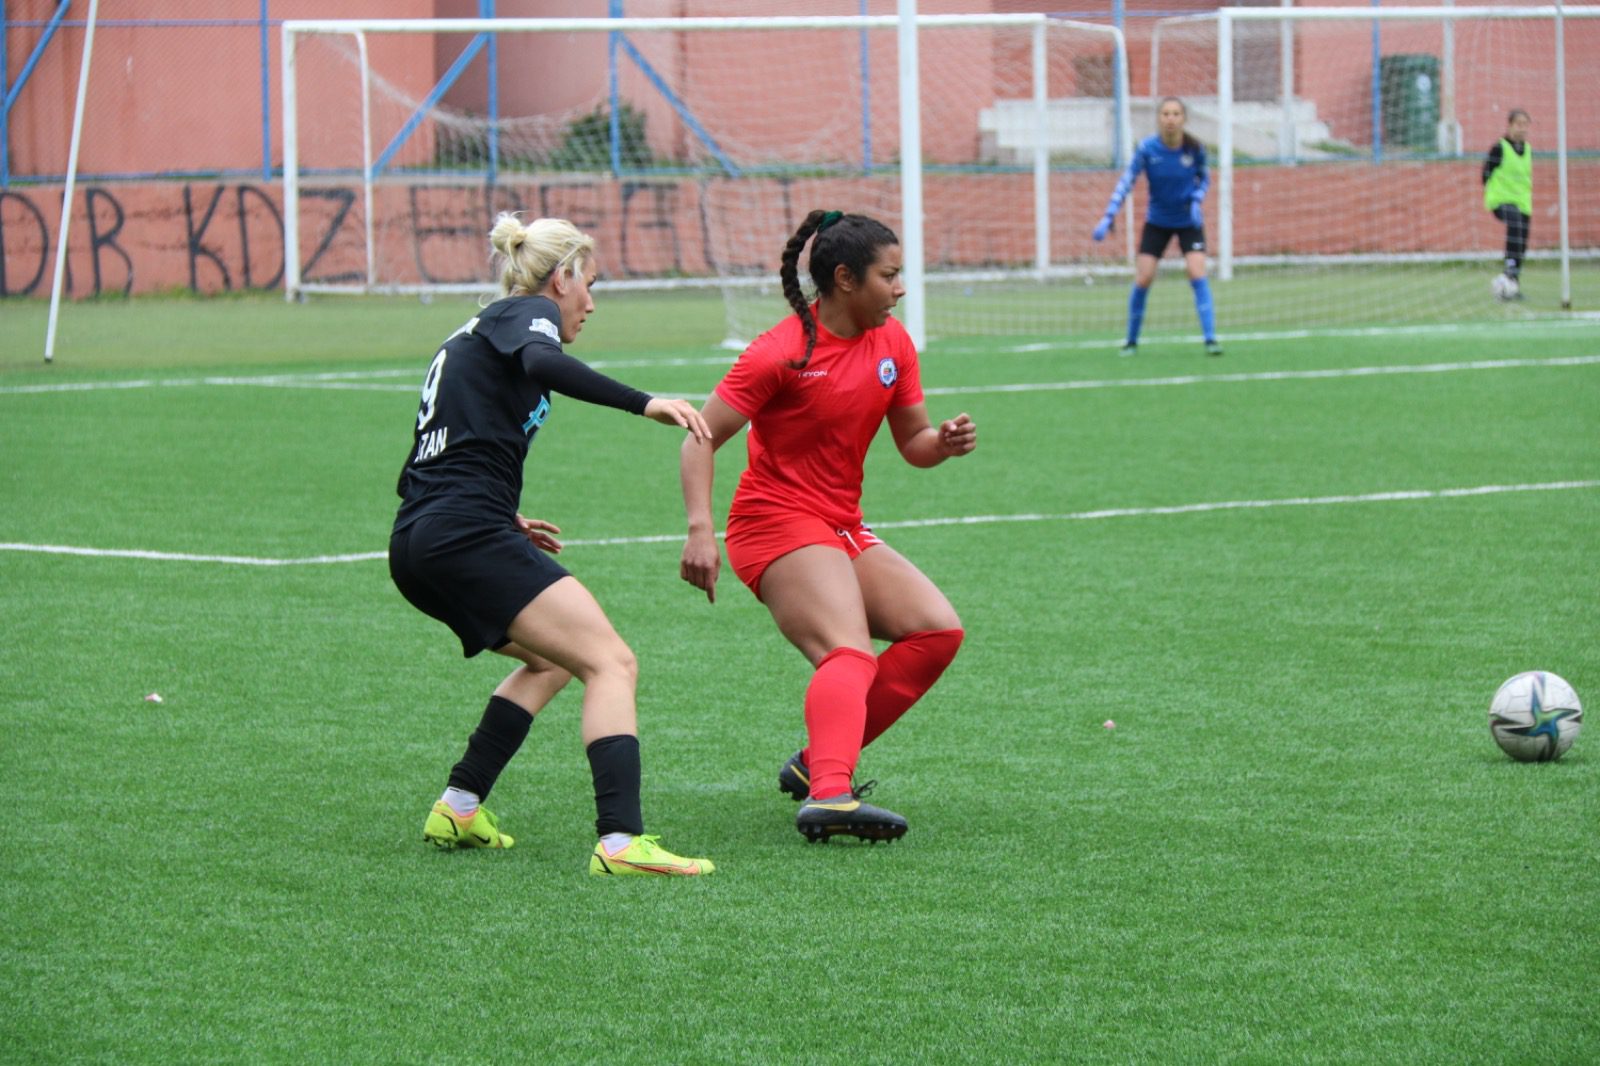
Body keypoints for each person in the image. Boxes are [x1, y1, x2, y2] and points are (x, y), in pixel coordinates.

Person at [390, 212, 715, 877]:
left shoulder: (472, 335)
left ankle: (458, 804)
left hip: (422, 538)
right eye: (588, 284)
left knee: (555, 660)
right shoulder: (525, 315)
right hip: (462, 533)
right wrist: (644, 402)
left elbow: (433, 458)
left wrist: (503, 515)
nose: (590, 303)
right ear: (559, 277)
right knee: (611, 663)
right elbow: (544, 361)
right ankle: (621, 842)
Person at [678, 209, 977, 844]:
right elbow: (700, 437)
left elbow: (912, 443)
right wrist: (701, 529)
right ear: (844, 279)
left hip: (839, 522)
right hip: (772, 523)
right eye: (889, 275)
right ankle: (831, 796)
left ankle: (819, 761)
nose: (900, 289)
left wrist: (942, 443)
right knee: (848, 651)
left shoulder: (892, 343)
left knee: (937, 632)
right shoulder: (780, 352)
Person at [1092, 96, 1222, 357]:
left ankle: (1210, 339)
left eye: (1175, 114)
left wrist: (1197, 200)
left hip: (1188, 222)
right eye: (1165, 114)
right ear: (1159, 119)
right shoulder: (1147, 149)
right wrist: (1109, 215)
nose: (1170, 119)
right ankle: (1131, 341)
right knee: (1143, 278)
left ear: (1184, 119)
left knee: (1197, 273)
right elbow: (1127, 180)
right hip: (1158, 222)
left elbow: (1204, 179)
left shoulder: (1195, 149)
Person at [1483, 109, 1532, 300]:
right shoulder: (1500, 148)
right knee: (1515, 223)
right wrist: (1494, 191)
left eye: (1525, 124)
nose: (1522, 128)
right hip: (1500, 201)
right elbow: (1485, 173)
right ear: (1509, 125)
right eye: (1518, 124)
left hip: (1523, 203)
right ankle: (1509, 271)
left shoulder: (1527, 149)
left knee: (1522, 242)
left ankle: (1513, 285)